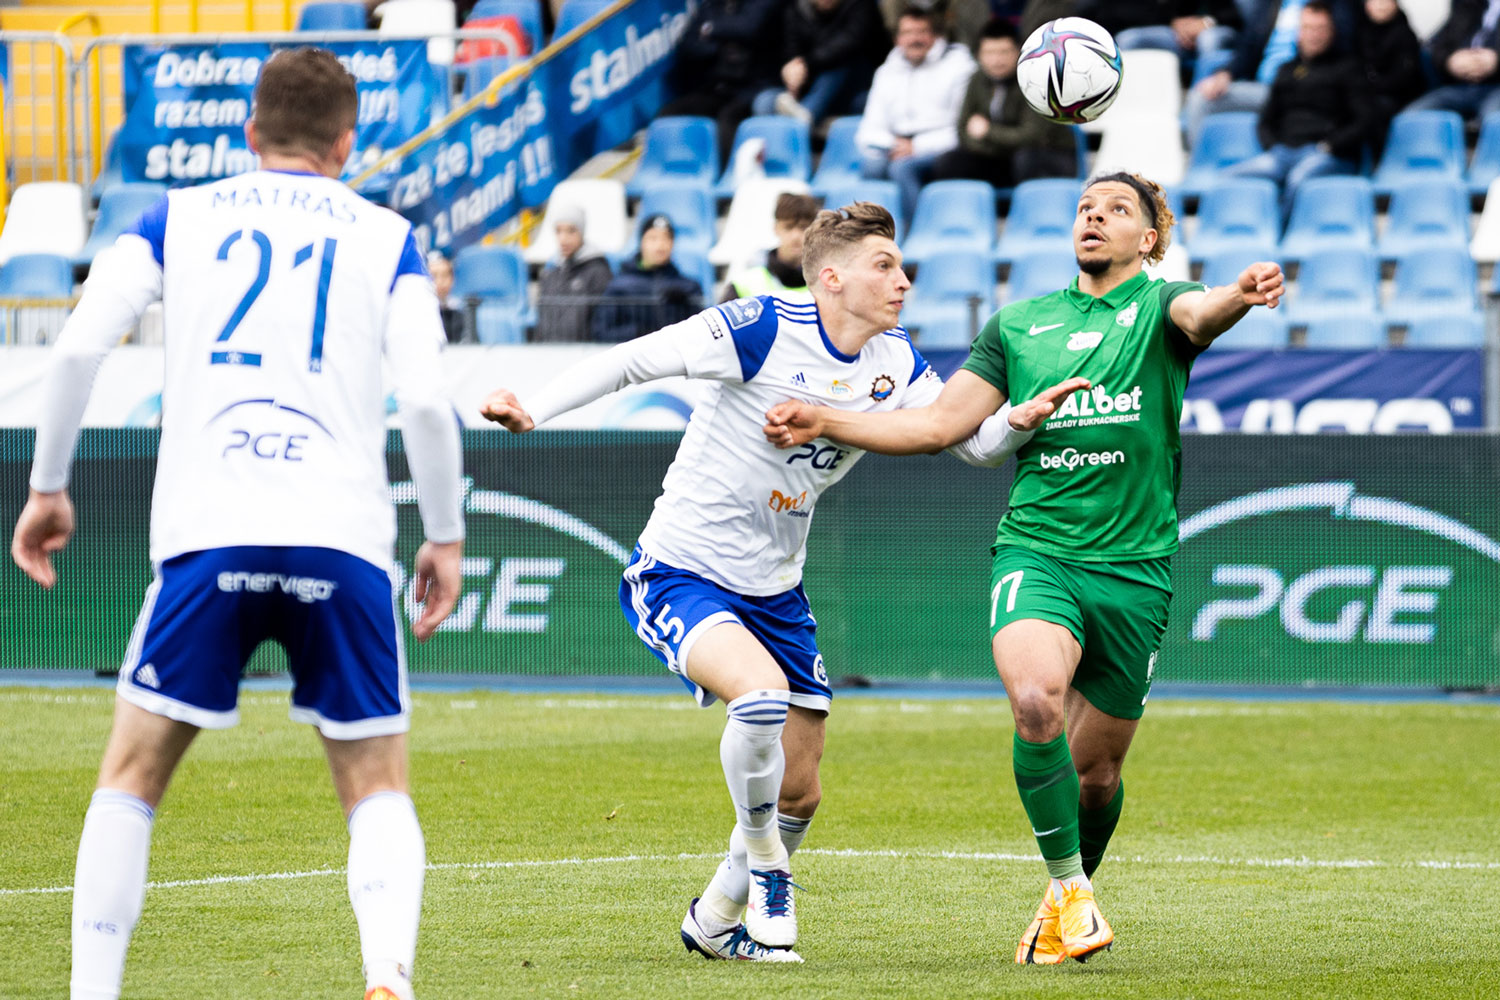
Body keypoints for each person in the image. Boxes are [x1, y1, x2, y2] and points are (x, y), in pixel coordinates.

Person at [478, 202, 1083, 962]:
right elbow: (634, 359)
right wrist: (533, 406)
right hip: (682, 571)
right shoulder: (760, 325)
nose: (903, 279)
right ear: (832, 277)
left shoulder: (892, 361)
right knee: (759, 700)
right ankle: (769, 872)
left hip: (776, 592)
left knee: (801, 792)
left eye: (900, 265)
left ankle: (713, 920)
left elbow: (971, 446)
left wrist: (1020, 419)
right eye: (884, 266)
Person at [9, 48, 465, 1000]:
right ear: (348, 142)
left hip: (208, 531)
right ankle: (389, 976)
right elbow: (426, 400)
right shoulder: (389, 238)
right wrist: (446, 532)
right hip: (339, 540)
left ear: (249, 132)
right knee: (376, 782)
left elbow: (79, 345)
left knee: (130, 775)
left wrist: (48, 487)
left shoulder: (176, 216)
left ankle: (93, 991)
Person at [762, 172, 1283, 965]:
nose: (1093, 219)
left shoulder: (1162, 307)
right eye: (1084, 209)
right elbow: (938, 424)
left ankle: (1056, 907)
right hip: (1037, 551)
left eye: (1115, 211)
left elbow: (1198, 310)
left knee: (1097, 776)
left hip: (1136, 570)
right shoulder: (1021, 324)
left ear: (1149, 239)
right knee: (1036, 700)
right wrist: (827, 419)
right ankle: (1074, 893)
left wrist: (1239, 296)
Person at [1221, 1, 1367, 217]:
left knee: (1298, 179)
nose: (1313, 35)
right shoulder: (1286, 70)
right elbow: (1266, 120)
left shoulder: (1349, 70)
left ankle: (1278, 238)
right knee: (1227, 179)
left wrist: (1330, 146)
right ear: (1298, 32)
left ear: (1332, 31)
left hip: (1325, 154)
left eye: (1320, 29)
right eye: (1308, 28)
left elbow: (1364, 121)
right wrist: (1274, 146)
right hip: (1283, 153)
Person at [856, 6, 976, 221]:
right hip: (895, 145)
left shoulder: (959, 66)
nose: (915, 39)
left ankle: (915, 232)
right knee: (872, 166)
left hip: (941, 147)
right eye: (907, 33)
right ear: (897, 39)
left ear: (935, 35)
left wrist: (917, 147)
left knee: (902, 169)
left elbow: (961, 128)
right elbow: (869, 128)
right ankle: (874, 233)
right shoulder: (886, 71)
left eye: (921, 32)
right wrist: (894, 145)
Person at [930, 19, 1078, 187]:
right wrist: (993, 145)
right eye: (990, 52)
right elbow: (963, 129)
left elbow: (1031, 136)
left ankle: (1030, 210)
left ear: (1018, 52)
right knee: (951, 161)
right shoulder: (977, 79)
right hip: (1000, 157)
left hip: (1047, 155)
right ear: (979, 55)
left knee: (1025, 158)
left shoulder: (1036, 80)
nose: (996, 60)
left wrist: (988, 132)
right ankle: (966, 210)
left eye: (1004, 52)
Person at [659, 0, 787, 167]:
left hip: (753, 89)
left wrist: (711, 31)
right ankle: (672, 173)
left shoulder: (764, 3)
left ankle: (728, 183)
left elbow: (749, 28)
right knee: (668, 114)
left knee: (727, 119)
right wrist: (717, 48)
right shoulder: (710, 6)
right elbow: (687, 45)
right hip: (717, 89)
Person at [754, 0, 889, 125]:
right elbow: (791, 51)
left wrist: (806, 63)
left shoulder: (860, 5)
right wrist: (792, 68)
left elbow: (848, 44)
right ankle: (798, 117)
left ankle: (804, 117)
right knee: (764, 102)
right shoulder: (796, 8)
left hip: (852, 88)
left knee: (840, 66)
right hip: (806, 84)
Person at [591, 214, 703, 341]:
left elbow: (700, 334)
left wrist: (686, 307)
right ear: (641, 242)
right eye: (653, 238)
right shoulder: (619, 286)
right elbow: (601, 332)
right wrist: (637, 332)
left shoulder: (688, 287)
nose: (660, 245)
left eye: (666, 238)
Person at [1407, 0, 1500, 122]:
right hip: (1459, 87)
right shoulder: (1467, 4)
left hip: (1496, 88)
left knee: (1493, 124)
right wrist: (1450, 61)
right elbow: (1434, 46)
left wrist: (1496, 61)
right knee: (1409, 119)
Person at [534, 202, 613, 342]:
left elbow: (603, 322)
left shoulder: (598, 272)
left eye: (571, 231)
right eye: (558, 231)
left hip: (584, 354)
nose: (563, 239)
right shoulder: (550, 274)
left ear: (581, 232)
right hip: (549, 354)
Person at [721, 192, 821, 302]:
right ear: (775, 228)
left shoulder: (828, 283)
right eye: (788, 227)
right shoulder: (745, 285)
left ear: (815, 230)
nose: (795, 236)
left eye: (803, 227)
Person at [427, 250, 466, 343]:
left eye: (445, 275)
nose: (440, 282)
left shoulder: (459, 312)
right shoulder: (420, 314)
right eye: (433, 276)